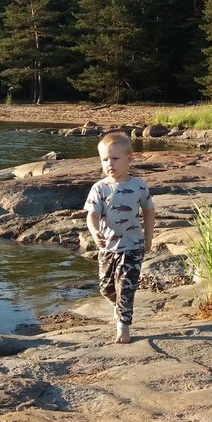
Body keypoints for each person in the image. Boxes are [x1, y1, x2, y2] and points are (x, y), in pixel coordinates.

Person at [84, 131, 156, 344]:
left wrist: (148, 239)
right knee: (106, 288)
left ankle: (123, 326)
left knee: (125, 287)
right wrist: (94, 231)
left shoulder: (139, 186)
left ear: (129, 158)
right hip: (108, 248)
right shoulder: (99, 188)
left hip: (132, 246)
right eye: (105, 160)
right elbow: (92, 215)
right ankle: (119, 307)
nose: (109, 164)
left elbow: (149, 211)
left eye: (115, 159)